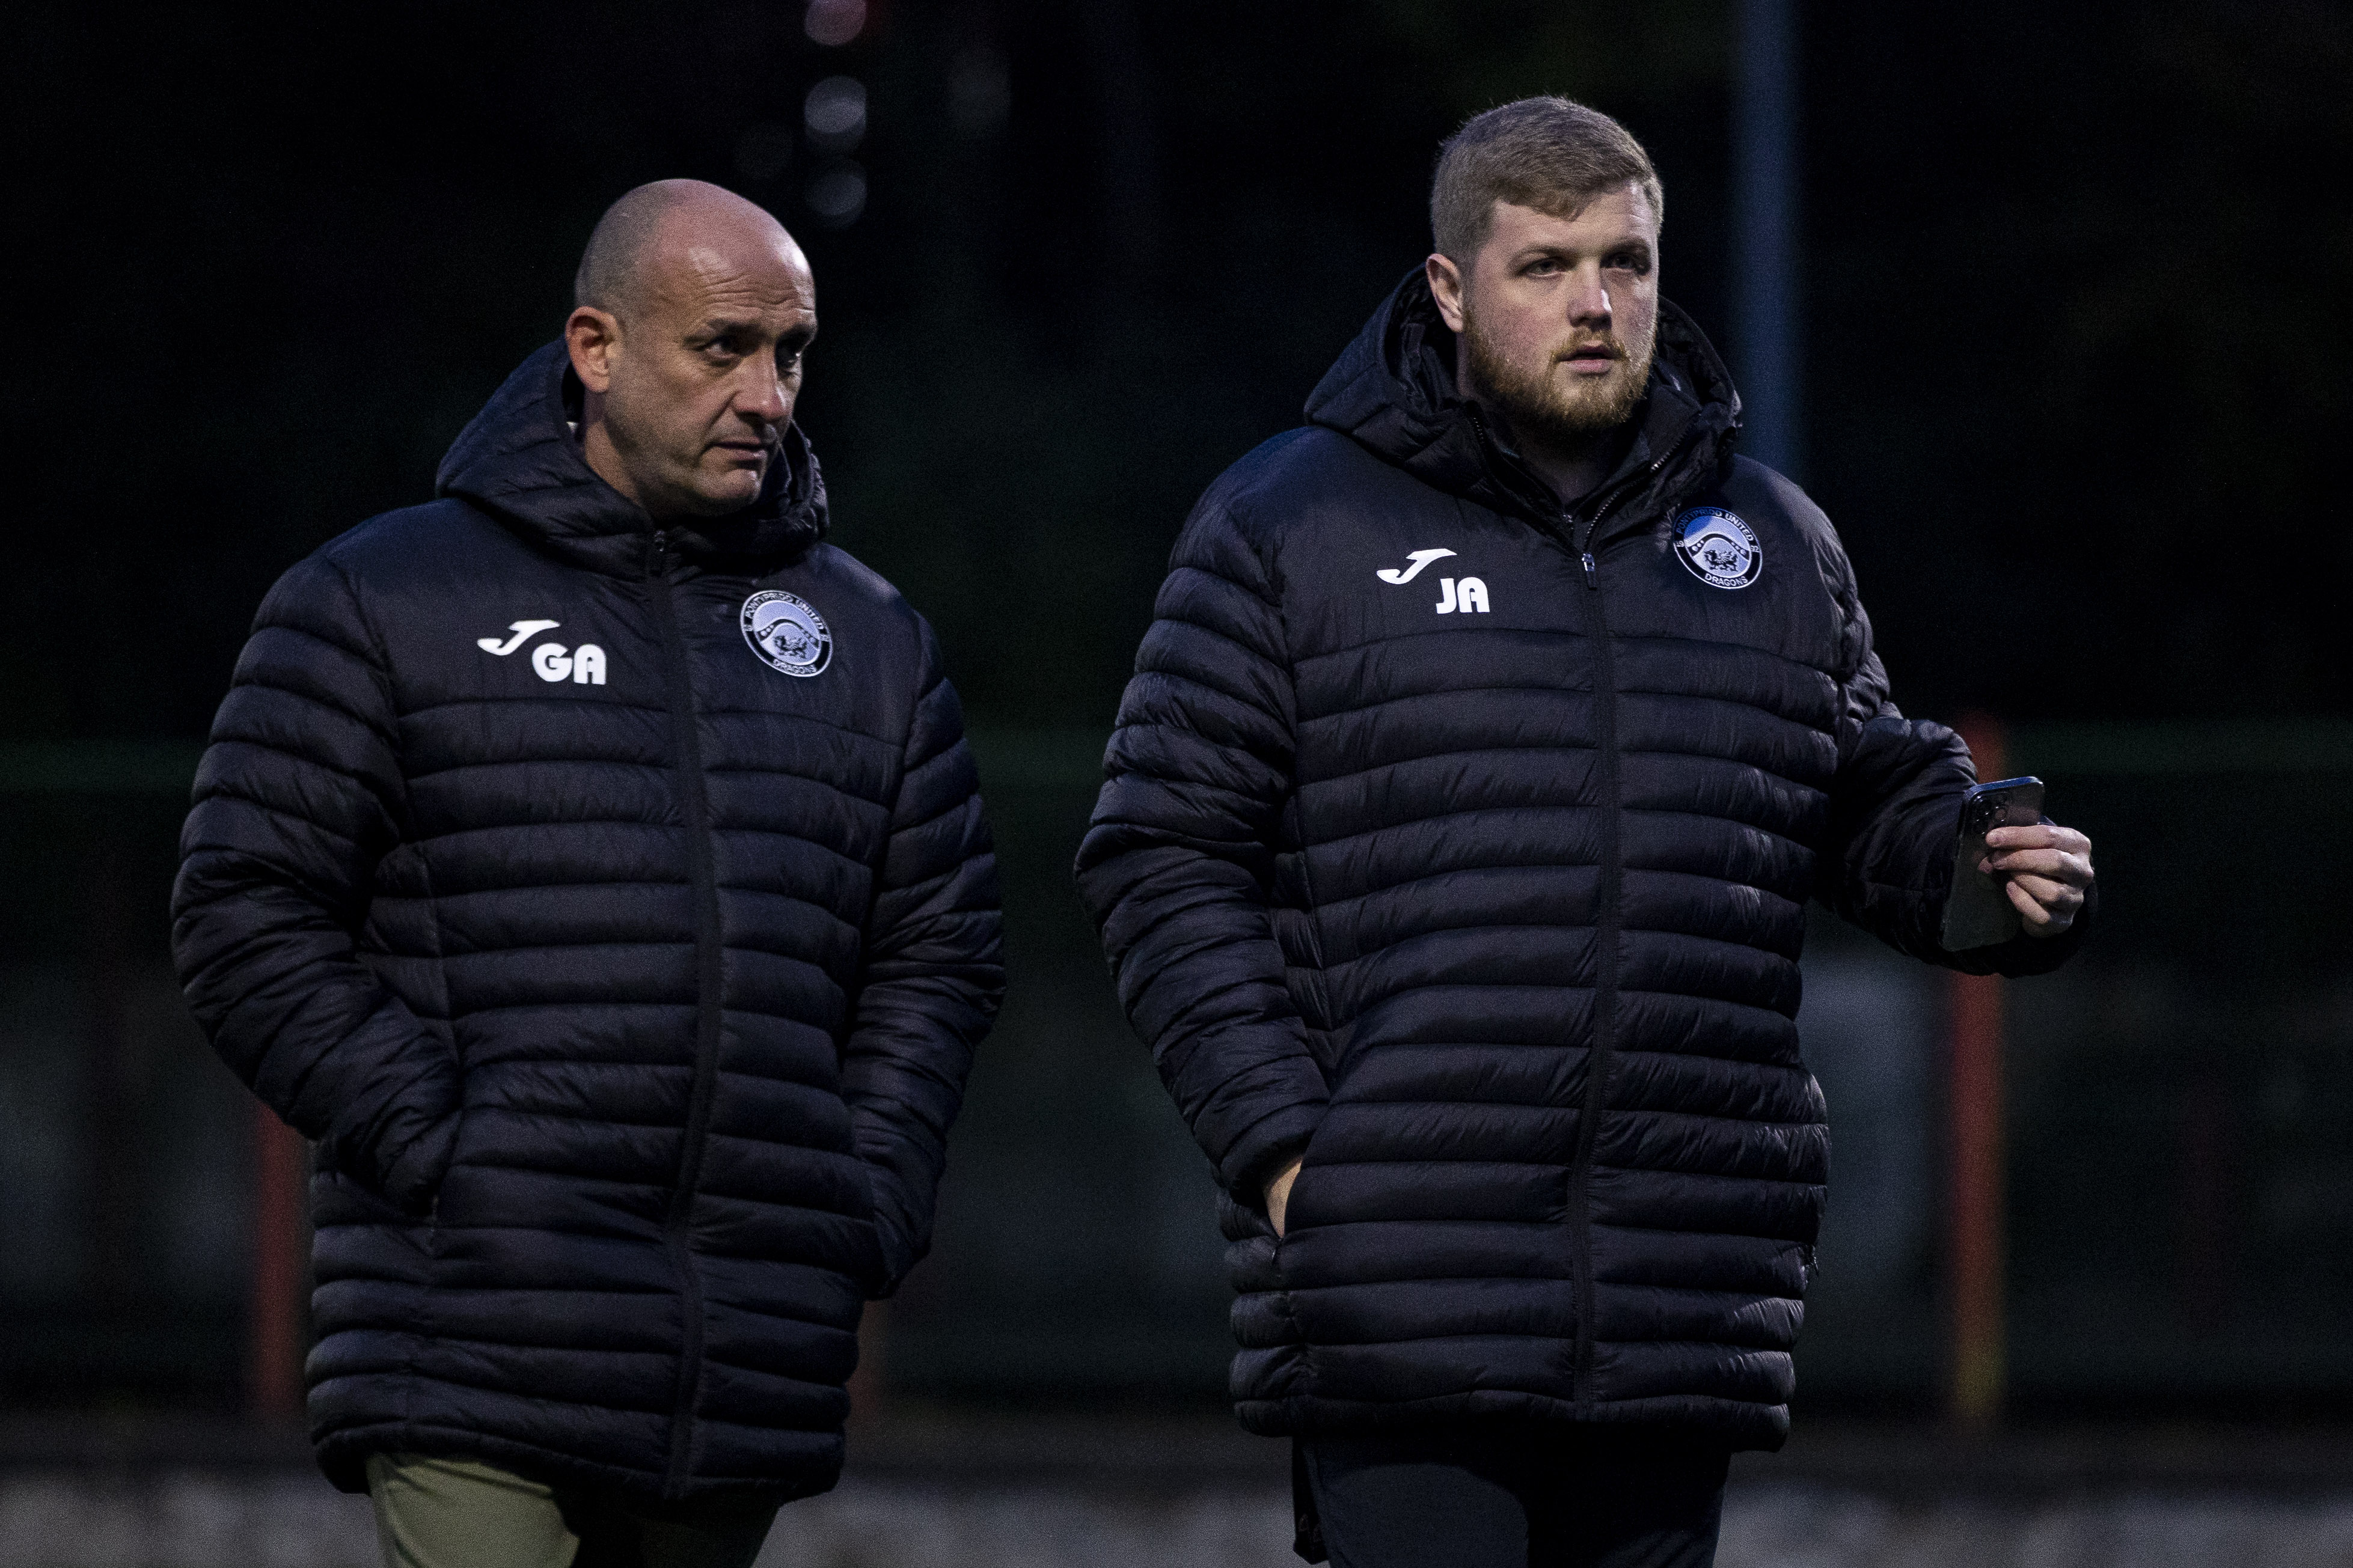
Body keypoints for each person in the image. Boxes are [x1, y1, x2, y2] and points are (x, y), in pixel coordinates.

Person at [1076, 99, 2093, 1567]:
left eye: (1625, 262)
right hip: (1399, 1291)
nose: (1596, 305)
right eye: (1545, 267)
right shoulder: (1283, 524)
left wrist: (1980, 875)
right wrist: (1290, 1155)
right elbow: (1158, 854)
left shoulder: (1772, 541)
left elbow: (1856, 795)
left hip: (1681, 1290)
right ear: (1448, 288)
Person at [173, 180, 1003, 1567]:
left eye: (790, 353)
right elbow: (243, 910)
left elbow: (937, 946)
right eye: (722, 347)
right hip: (474, 1325)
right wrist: (445, 1145)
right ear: (597, 347)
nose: (769, 395)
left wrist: (862, 1189)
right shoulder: (383, 600)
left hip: (739, 1348)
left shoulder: (867, 639)